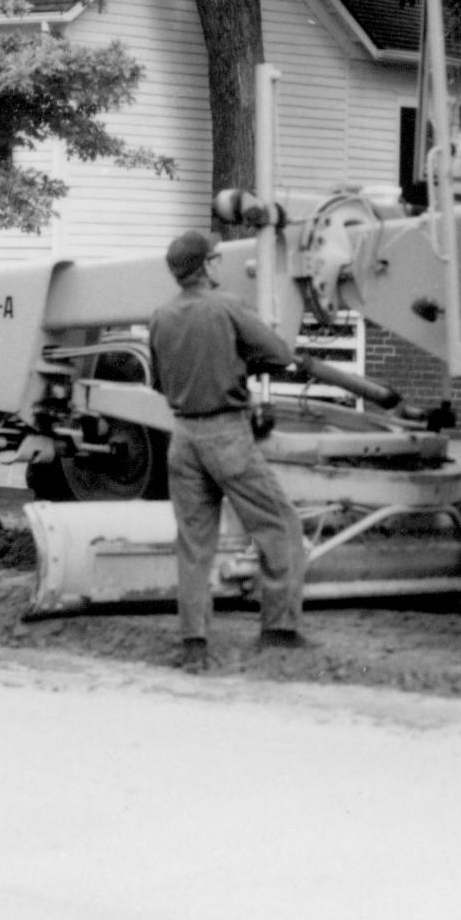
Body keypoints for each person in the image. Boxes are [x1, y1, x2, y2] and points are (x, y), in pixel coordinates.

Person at [145, 229, 398, 669]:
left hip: (182, 438)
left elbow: (160, 383)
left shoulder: (161, 317)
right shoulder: (227, 307)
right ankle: (279, 630)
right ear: (205, 266)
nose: (221, 263)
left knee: (193, 544)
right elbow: (279, 352)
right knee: (280, 527)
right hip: (226, 436)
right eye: (217, 257)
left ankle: (193, 643)